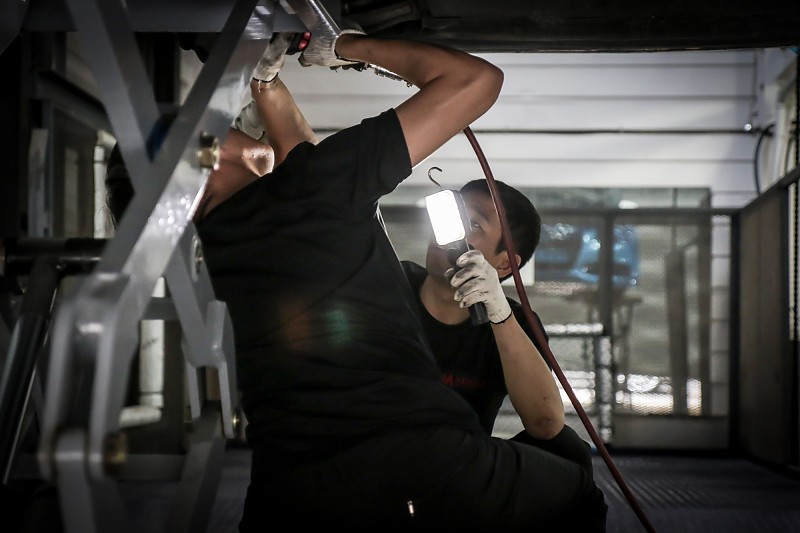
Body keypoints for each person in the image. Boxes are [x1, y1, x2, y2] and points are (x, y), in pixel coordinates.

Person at [107, 19, 607, 531]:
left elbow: (313, 176)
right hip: (418, 468)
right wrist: (343, 46)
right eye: (214, 125)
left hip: (291, 496)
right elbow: (475, 81)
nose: (229, 124)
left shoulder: (218, 250)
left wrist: (266, 83)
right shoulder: (310, 196)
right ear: (203, 159)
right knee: (578, 490)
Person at [401, 179, 597, 474]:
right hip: (379, 454)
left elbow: (545, 423)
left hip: (460, 468)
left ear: (505, 265)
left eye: (474, 224)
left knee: (568, 451)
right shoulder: (389, 285)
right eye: (454, 216)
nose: (450, 234)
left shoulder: (516, 323)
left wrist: (499, 314)